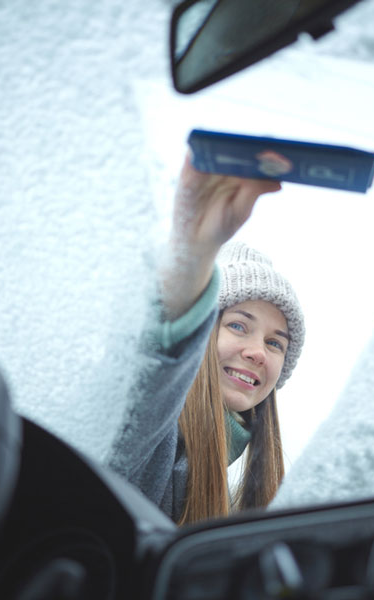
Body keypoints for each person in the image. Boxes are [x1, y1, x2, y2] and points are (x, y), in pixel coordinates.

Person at [106, 153, 305, 525]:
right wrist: (194, 251)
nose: (257, 352)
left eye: (275, 343)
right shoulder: (151, 439)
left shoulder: (239, 510)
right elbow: (155, 358)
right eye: (238, 325)